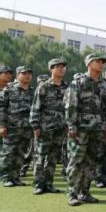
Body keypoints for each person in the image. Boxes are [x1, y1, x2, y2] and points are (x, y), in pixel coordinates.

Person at [64, 53, 106, 207]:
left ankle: (84, 192)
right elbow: (70, 105)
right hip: (80, 128)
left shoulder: (104, 84)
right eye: (97, 62)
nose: (101, 64)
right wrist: (71, 125)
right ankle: (72, 193)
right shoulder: (78, 82)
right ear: (89, 64)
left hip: (97, 128)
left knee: (91, 161)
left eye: (102, 62)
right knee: (76, 160)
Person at [30, 57, 69, 195]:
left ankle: (48, 183)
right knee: (40, 157)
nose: (61, 69)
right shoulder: (43, 86)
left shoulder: (67, 87)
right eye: (57, 67)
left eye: (63, 67)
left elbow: (69, 108)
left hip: (60, 127)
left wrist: (68, 125)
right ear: (51, 69)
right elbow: (35, 107)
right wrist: (35, 126)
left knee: (53, 157)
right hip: (45, 127)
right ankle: (38, 184)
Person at [0, 66, 34, 187]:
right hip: (11, 127)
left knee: (21, 153)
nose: (27, 76)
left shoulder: (33, 91)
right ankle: (6, 178)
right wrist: (2, 126)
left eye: (29, 73)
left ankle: (15, 177)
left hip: (26, 128)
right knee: (8, 153)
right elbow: (2, 109)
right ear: (18, 75)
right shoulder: (8, 90)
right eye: (24, 73)